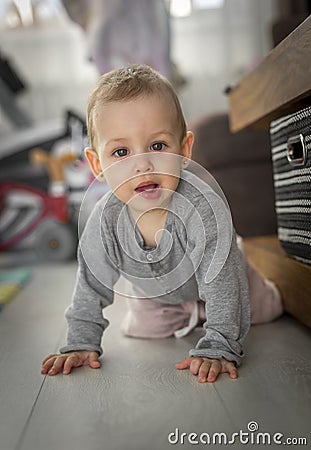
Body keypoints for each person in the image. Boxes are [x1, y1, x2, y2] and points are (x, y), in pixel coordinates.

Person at [41, 64, 283, 383]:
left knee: (261, 308)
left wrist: (220, 345)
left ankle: (250, 297)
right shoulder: (105, 218)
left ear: (184, 150)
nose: (142, 164)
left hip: (224, 275)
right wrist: (81, 341)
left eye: (157, 146)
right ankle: (192, 315)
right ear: (97, 164)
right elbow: (90, 283)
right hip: (158, 297)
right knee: (143, 330)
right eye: (121, 151)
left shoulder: (202, 208)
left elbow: (223, 283)